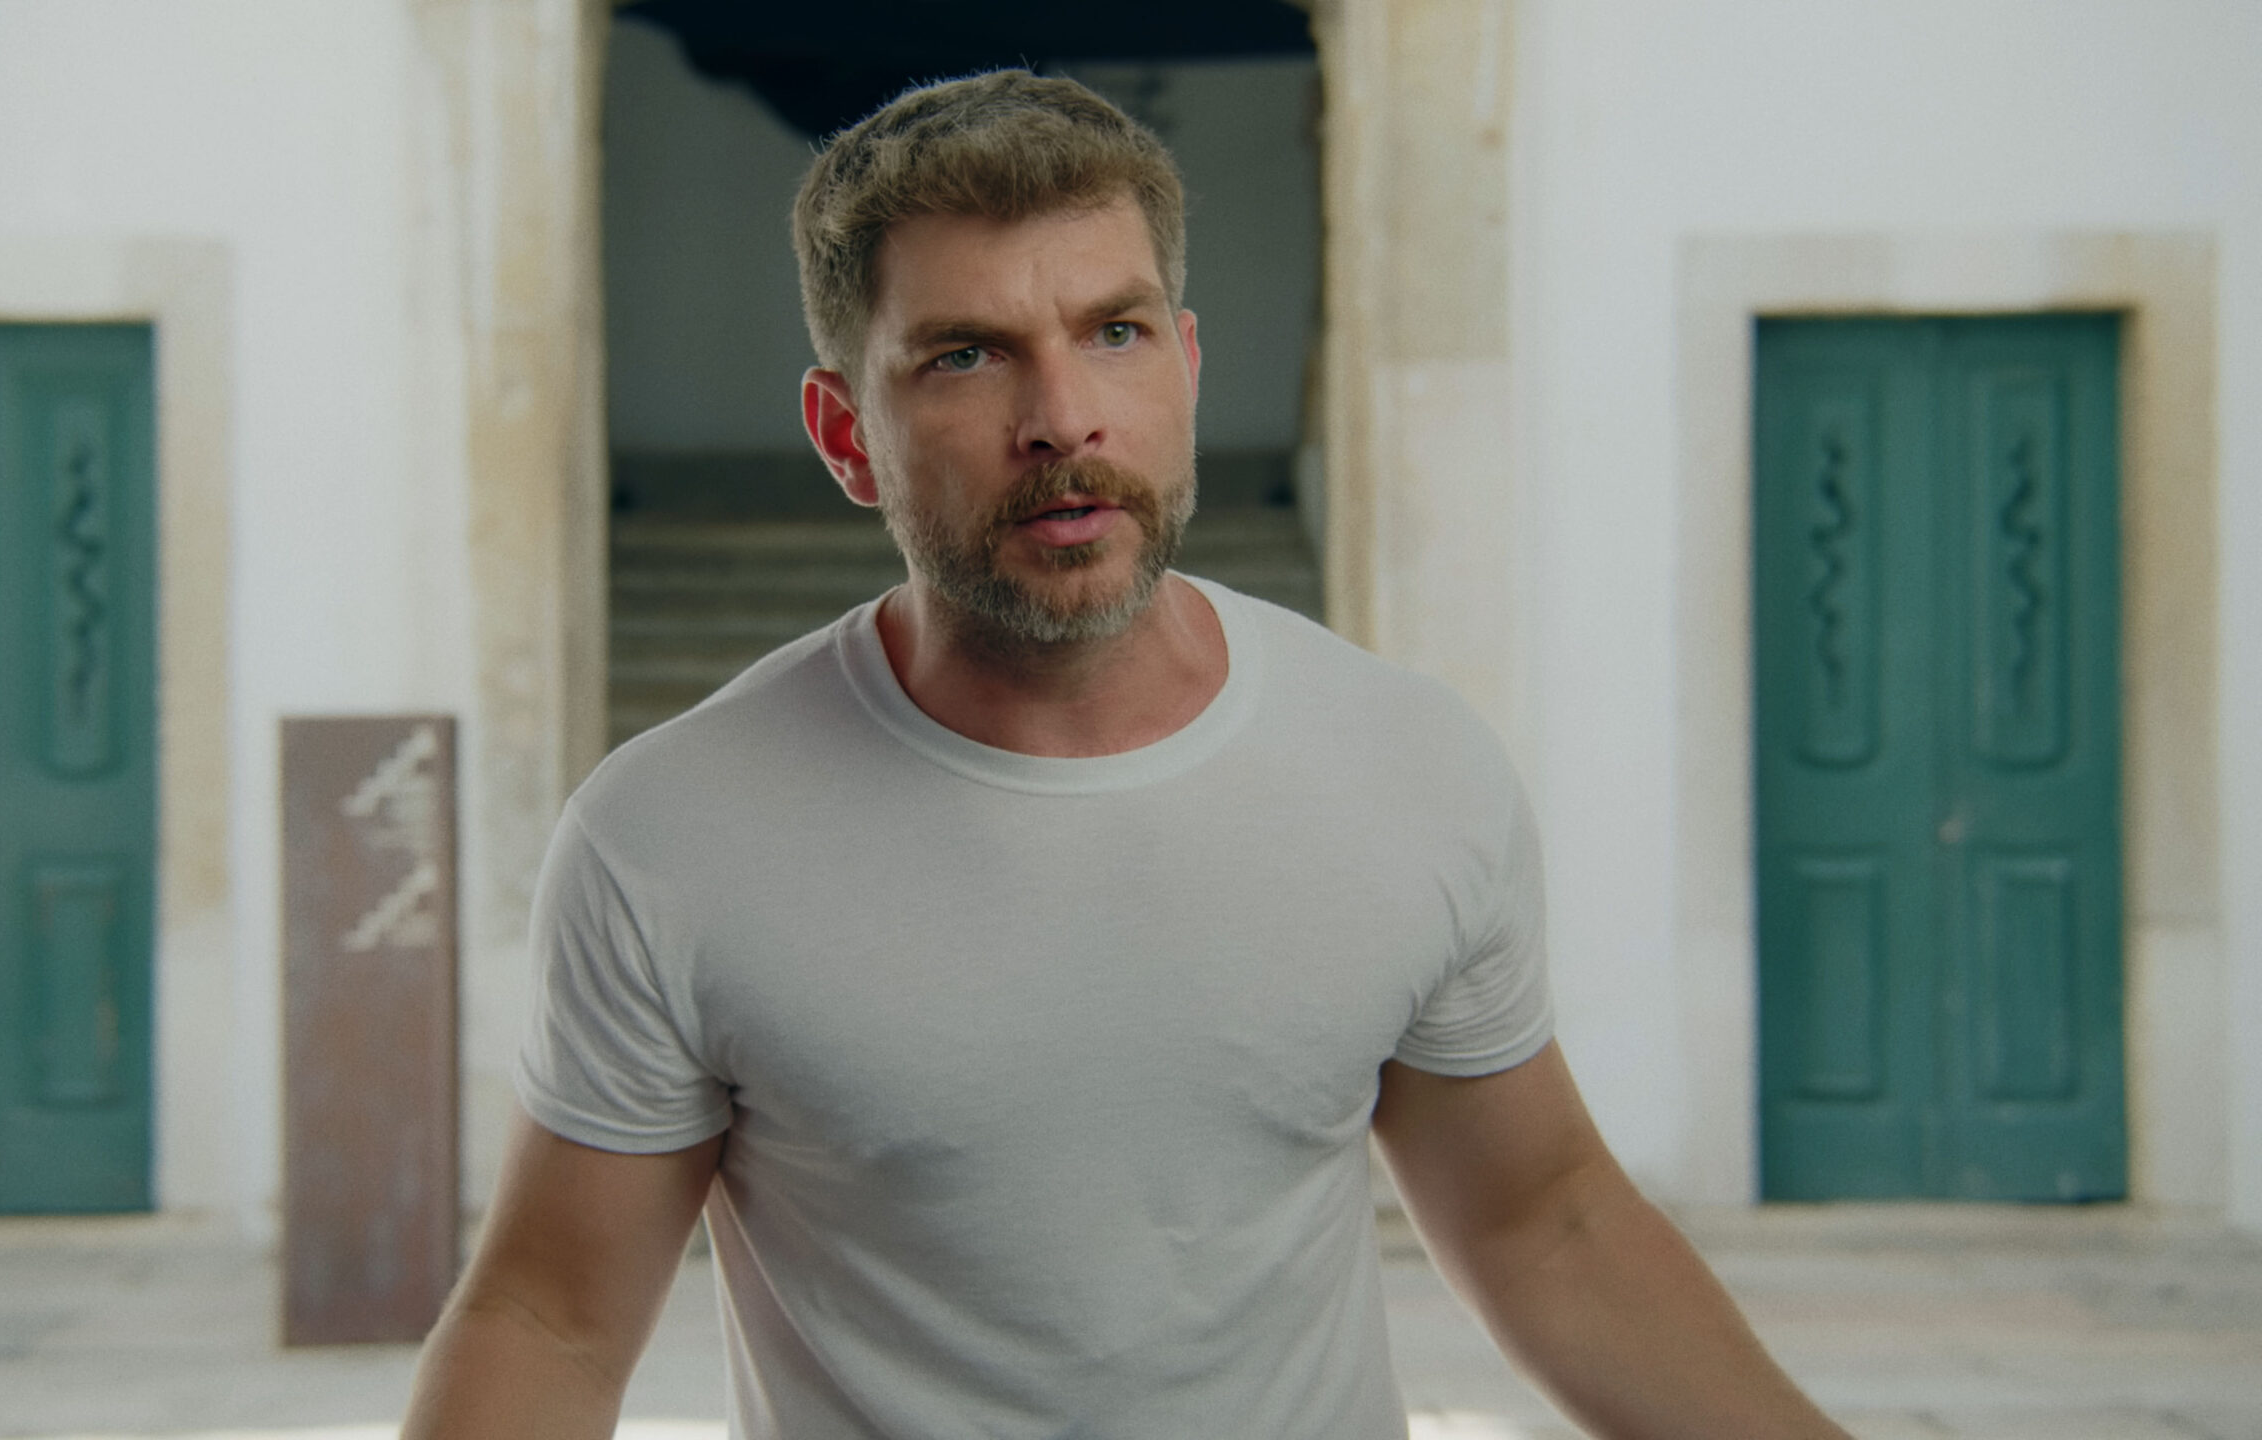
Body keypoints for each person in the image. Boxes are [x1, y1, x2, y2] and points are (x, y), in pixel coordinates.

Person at [403, 70, 1847, 1440]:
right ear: (846, 434)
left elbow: (1549, 1224)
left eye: (1114, 332)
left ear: (1187, 365)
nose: (1062, 420)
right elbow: (551, 1319)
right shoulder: (671, 838)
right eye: (966, 356)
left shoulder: (1410, 767)